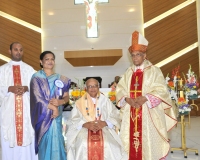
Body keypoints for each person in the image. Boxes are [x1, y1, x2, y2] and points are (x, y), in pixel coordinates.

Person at [116, 31, 177, 160]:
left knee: (148, 141)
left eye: (138, 55)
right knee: (130, 141)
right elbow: (120, 89)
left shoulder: (154, 70)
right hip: (131, 111)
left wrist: (146, 98)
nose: (135, 58)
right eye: (133, 55)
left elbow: (161, 89)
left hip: (148, 112)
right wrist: (127, 99)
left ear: (144, 55)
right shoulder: (128, 72)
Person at [0, 42, 37, 160]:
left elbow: (36, 87)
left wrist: (26, 88)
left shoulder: (29, 69)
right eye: (15, 49)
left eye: (21, 50)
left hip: (26, 110)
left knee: (28, 136)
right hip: (9, 110)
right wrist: (9, 88)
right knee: (10, 137)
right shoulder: (2, 70)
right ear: (10, 51)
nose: (18, 52)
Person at [66, 78, 127, 160]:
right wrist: (85, 124)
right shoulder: (79, 102)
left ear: (98, 87)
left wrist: (105, 123)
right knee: (83, 144)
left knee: (109, 144)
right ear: (86, 88)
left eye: (95, 86)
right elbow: (72, 120)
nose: (93, 88)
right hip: (85, 129)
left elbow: (115, 115)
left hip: (104, 128)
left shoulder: (105, 100)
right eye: (90, 86)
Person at [30, 51, 71, 160]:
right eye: (47, 59)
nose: (50, 61)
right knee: (45, 142)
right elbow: (37, 98)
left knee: (58, 140)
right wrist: (53, 108)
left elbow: (66, 96)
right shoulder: (36, 77)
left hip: (57, 117)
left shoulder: (61, 79)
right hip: (43, 116)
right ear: (41, 62)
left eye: (52, 59)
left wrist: (60, 102)